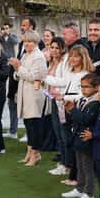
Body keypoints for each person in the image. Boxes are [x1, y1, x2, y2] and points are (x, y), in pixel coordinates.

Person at [45, 44, 92, 185]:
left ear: (83, 58)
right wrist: (45, 77)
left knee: (75, 143)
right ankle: (72, 173)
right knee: (68, 140)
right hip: (66, 108)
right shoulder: (71, 73)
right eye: (71, 56)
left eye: (76, 56)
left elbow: (83, 95)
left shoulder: (85, 74)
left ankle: (76, 176)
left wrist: (65, 97)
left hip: (77, 109)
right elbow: (62, 82)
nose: (72, 59)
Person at [61, 73, 100, 198]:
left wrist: (73, 110)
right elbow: (77, 119)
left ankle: (89, 193)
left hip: (87, 139)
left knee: (87, 167)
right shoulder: (83, 100)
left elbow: (85, 119)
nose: (83, 90)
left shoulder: (95, 103)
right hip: (78, 138)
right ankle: (79, 188)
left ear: (95, 88)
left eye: (86, 87)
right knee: (79, 165)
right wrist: (70, 111)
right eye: (81, 87)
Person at [9, 30, 47, 165]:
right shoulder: (26, 55)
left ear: (35, 42)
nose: (26, 44)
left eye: (29, 41)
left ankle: (35, 154)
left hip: (34, 94)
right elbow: (20, 74)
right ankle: (29, 152)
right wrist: (16, 69)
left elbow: (34, 77)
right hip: (24, 93)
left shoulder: (39, 56)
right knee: (28, 124)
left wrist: (18, 67)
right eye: (24, 41)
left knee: (33, 125)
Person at [46, 37, 70, 176]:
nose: (54, 50)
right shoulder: (52, 62)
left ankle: (66, 164)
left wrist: (47, 79)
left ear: (62, 48)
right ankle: (62, 162)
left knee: (63, 133)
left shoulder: (65, 62)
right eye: (52, 47)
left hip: (62, 100)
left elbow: (65, 81)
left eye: (56, 47)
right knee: (58, 132)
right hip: (53, 100)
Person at [0, 22, 20, 138]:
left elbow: (15, 42)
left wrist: (9, 34)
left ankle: (14, 129)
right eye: (4, 28)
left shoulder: (13, 37)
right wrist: (1, 34)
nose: (5, 30)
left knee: (13, 96)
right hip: (3, 62)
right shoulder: (1, 37)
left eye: (7, 28)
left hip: (12, 63)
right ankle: (12, 130)